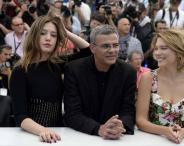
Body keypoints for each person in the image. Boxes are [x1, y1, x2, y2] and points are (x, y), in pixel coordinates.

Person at [9, 15, 89, 143]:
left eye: (54, 35)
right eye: (43, 33)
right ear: (34, 36)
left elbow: (89, 51)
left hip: (58, 135)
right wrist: (42, 130)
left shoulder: (59, 64)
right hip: (31, 136)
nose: (48, 38)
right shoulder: (20, 71)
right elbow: (21, 117)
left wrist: (65, 32)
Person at [64, 25, 136, 139]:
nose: (112, 50)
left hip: (116, 137)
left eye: (115, 45)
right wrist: (98, 129)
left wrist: (121, 124)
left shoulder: (128, 72)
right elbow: (72, 113)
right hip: (80, 136)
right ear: (92, 48)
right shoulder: (74, 69)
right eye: (106, 46)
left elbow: (128, 110)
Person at [136, 29, 184, 144]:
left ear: (179, 50)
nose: (157, 53)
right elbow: (140, 121)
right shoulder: (148, 78)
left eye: (163, 48)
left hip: (182, 142)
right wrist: (164, 131)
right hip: (152, 141)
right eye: (156, 48)